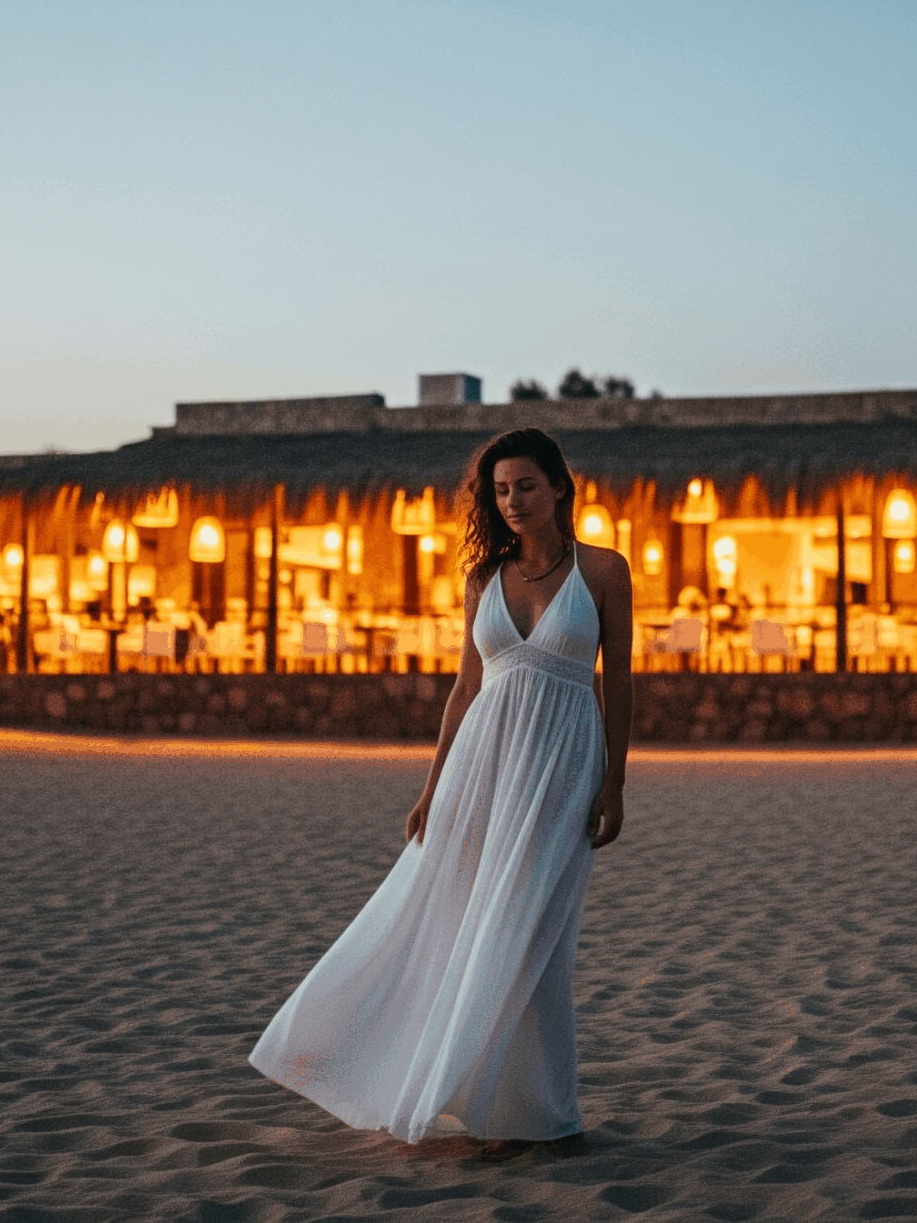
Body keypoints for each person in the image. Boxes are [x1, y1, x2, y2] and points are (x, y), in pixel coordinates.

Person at [251, 428, 632, 1160]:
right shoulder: (483, 579)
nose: (513, 501)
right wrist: (431, 788)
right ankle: (474, 1099)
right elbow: (465, 689)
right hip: (479, 769)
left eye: (525, 485)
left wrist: (615, 780)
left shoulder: (605, 572)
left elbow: (617, 683)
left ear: (558, 486)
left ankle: (544, 1112)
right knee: (458, 920)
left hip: (561, 765)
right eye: (499, 490)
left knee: (536, 934)